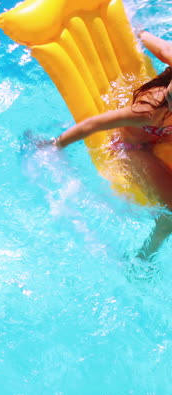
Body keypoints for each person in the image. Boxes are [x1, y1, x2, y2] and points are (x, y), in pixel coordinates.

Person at [40, 31, 172, 259]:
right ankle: (143, 256)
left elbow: (163, 49)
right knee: (170, 213)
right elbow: (93, 124)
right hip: (136, 148)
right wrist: (56, 144)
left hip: (164, 136)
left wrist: (137, 31)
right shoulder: (147, 111)